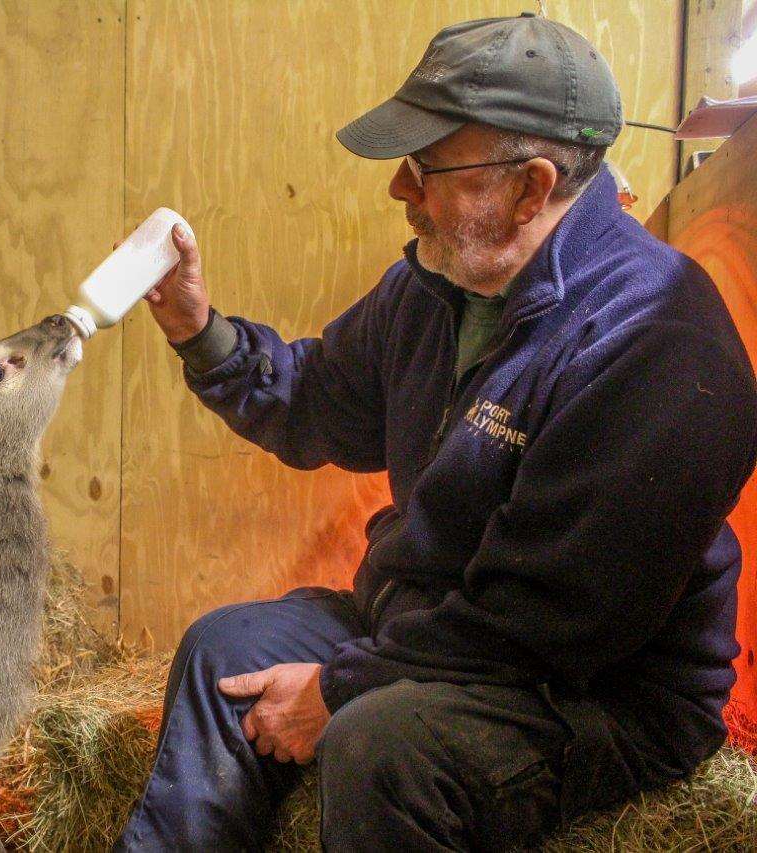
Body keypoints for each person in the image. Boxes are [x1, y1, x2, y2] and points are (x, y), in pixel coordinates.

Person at [114, 13, 757, 852]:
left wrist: (339, 688)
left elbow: (548, 622)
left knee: (384, 745)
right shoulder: (434, 284)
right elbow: (319, 402)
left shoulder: (655, 343)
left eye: (426, 166)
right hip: (430, 623)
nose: (400, 190)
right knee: (222, 650)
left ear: (530, 186)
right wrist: (203, 333)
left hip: (593, 684)